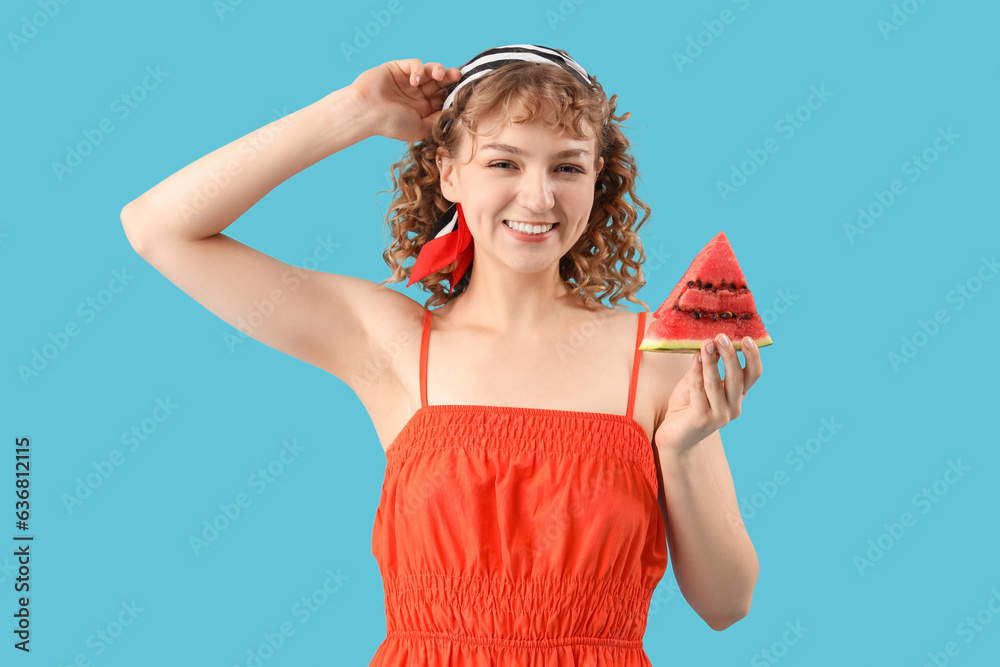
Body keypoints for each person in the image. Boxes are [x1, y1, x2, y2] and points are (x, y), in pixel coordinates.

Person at [121, 43, 762, 666]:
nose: (539, 198)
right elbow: (158, 228)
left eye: (567, 166)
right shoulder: (389, 340)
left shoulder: (656, 355)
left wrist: (678, 450)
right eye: (504, 163)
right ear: (449, 174)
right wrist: (355, 113)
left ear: (599, 181)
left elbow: (726, 603)